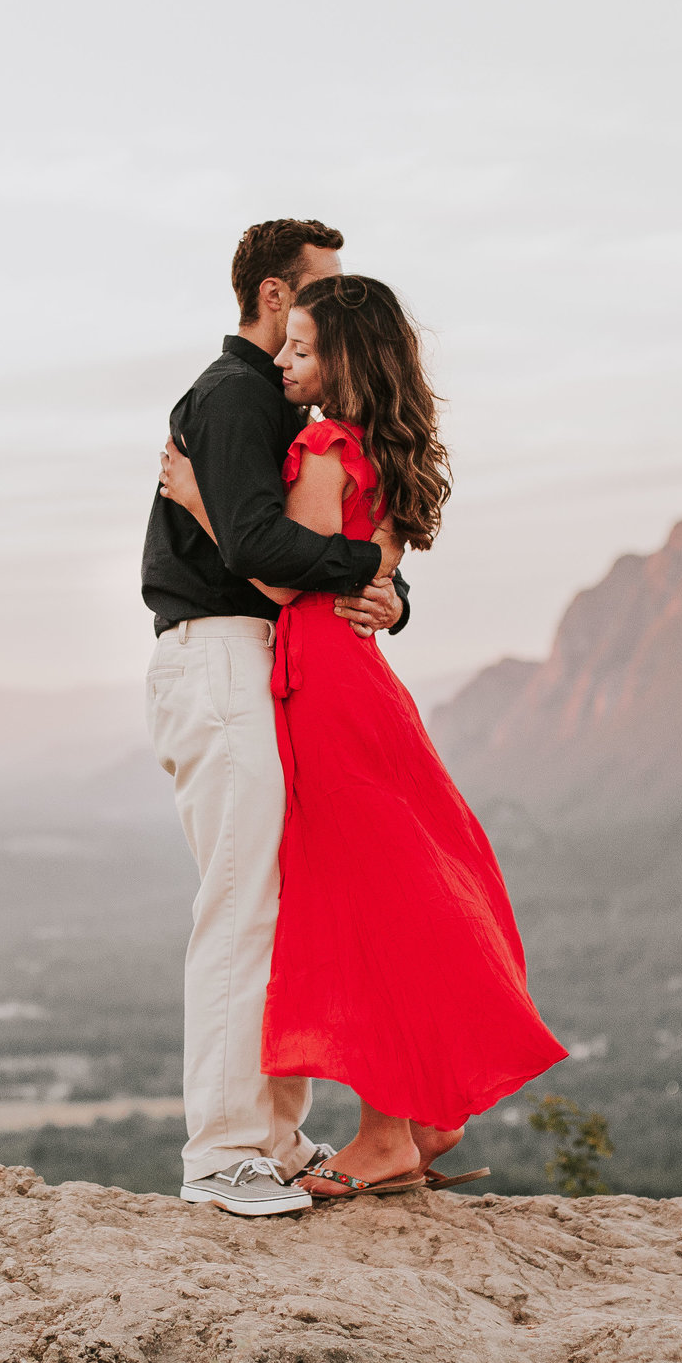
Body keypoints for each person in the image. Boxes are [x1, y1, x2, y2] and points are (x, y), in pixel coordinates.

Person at [158, 273, 567, 1200]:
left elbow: (273, 578)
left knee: (361, 896)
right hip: (350, 677)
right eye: (288, 343)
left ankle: (391, 1128)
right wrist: (383, 578)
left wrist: (197, 503)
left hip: (323, 683)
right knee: (388, 883)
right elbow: (358, 557)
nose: (288, 362)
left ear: (341, 361)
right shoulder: (375, 449)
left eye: (304, 349)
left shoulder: (327, 447)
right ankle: (420, 1113)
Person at [142, 219, 408, 1216]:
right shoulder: (231, 400)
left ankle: (275, 1137)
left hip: (268, 659)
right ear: (269, 297)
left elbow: (323, 535)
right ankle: (221, 1152)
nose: (331, 314)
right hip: (216, 650)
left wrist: (390, 589)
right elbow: (259, 544)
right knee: (242, 902)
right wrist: (370, 570)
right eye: (316, 295)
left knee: (281, 906)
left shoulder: (285, 408)